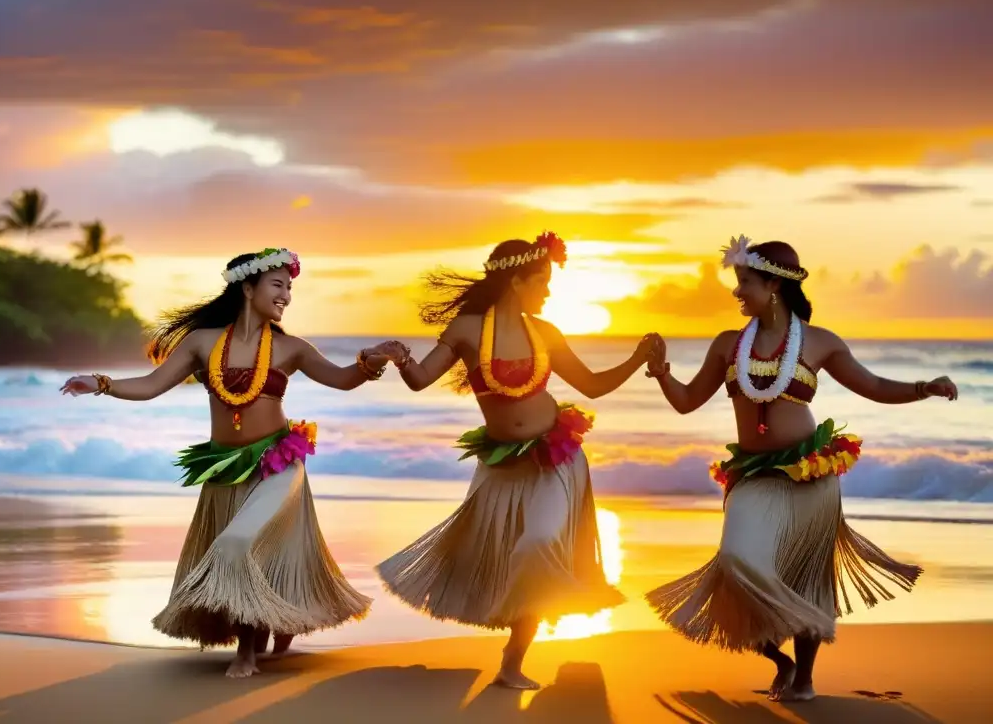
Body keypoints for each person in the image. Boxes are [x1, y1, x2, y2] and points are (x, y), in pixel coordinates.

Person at [643, 236, 958, 702]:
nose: (737, 292)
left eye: (745, 282)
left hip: (810, 474)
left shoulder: (820, 342)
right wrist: (663, 373)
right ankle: (779, 658)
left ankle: (804, 679)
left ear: (773, 284)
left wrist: (922, 386)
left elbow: (871, 385)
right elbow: (688, 403)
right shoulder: (728, 345)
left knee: (808, 578)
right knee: (736, 561)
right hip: (753, 475)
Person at [61, 247, 398, 678]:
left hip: (279, 462)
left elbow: (342, 379)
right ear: (247, 287)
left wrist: (370, 362)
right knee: (247, 549)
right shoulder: (203, 343)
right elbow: (151, 384)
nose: (286, 296)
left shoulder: (291, 348)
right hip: (224, 469)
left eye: (290, 288)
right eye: (278, 285)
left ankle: (249, 651)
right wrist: (101, 383)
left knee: (239, 543)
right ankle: (260, 636)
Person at [376, 232, 663, 690]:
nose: (548, 291)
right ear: (515, 281)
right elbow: (419, 380)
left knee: (538, 544)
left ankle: (513, 656)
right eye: (542, 281)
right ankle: (514, 655)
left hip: (556, 458)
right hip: (502, 466)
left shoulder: (545, 333)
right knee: (496, 556)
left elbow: (591, 386)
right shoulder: (469, 329)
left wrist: (636, 359)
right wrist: (400, 357)